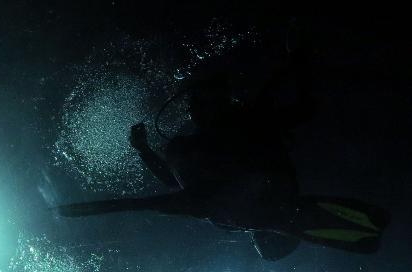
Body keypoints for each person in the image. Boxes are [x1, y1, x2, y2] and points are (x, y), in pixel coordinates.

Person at [57, 51, 389, 260]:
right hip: (248, 187)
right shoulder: (249, 131)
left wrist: (142, 151)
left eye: (199, 103)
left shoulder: (233, 202)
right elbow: (169, 194)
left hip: (242, 190)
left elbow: (170, 192)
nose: (192, 108)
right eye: (198, 103)